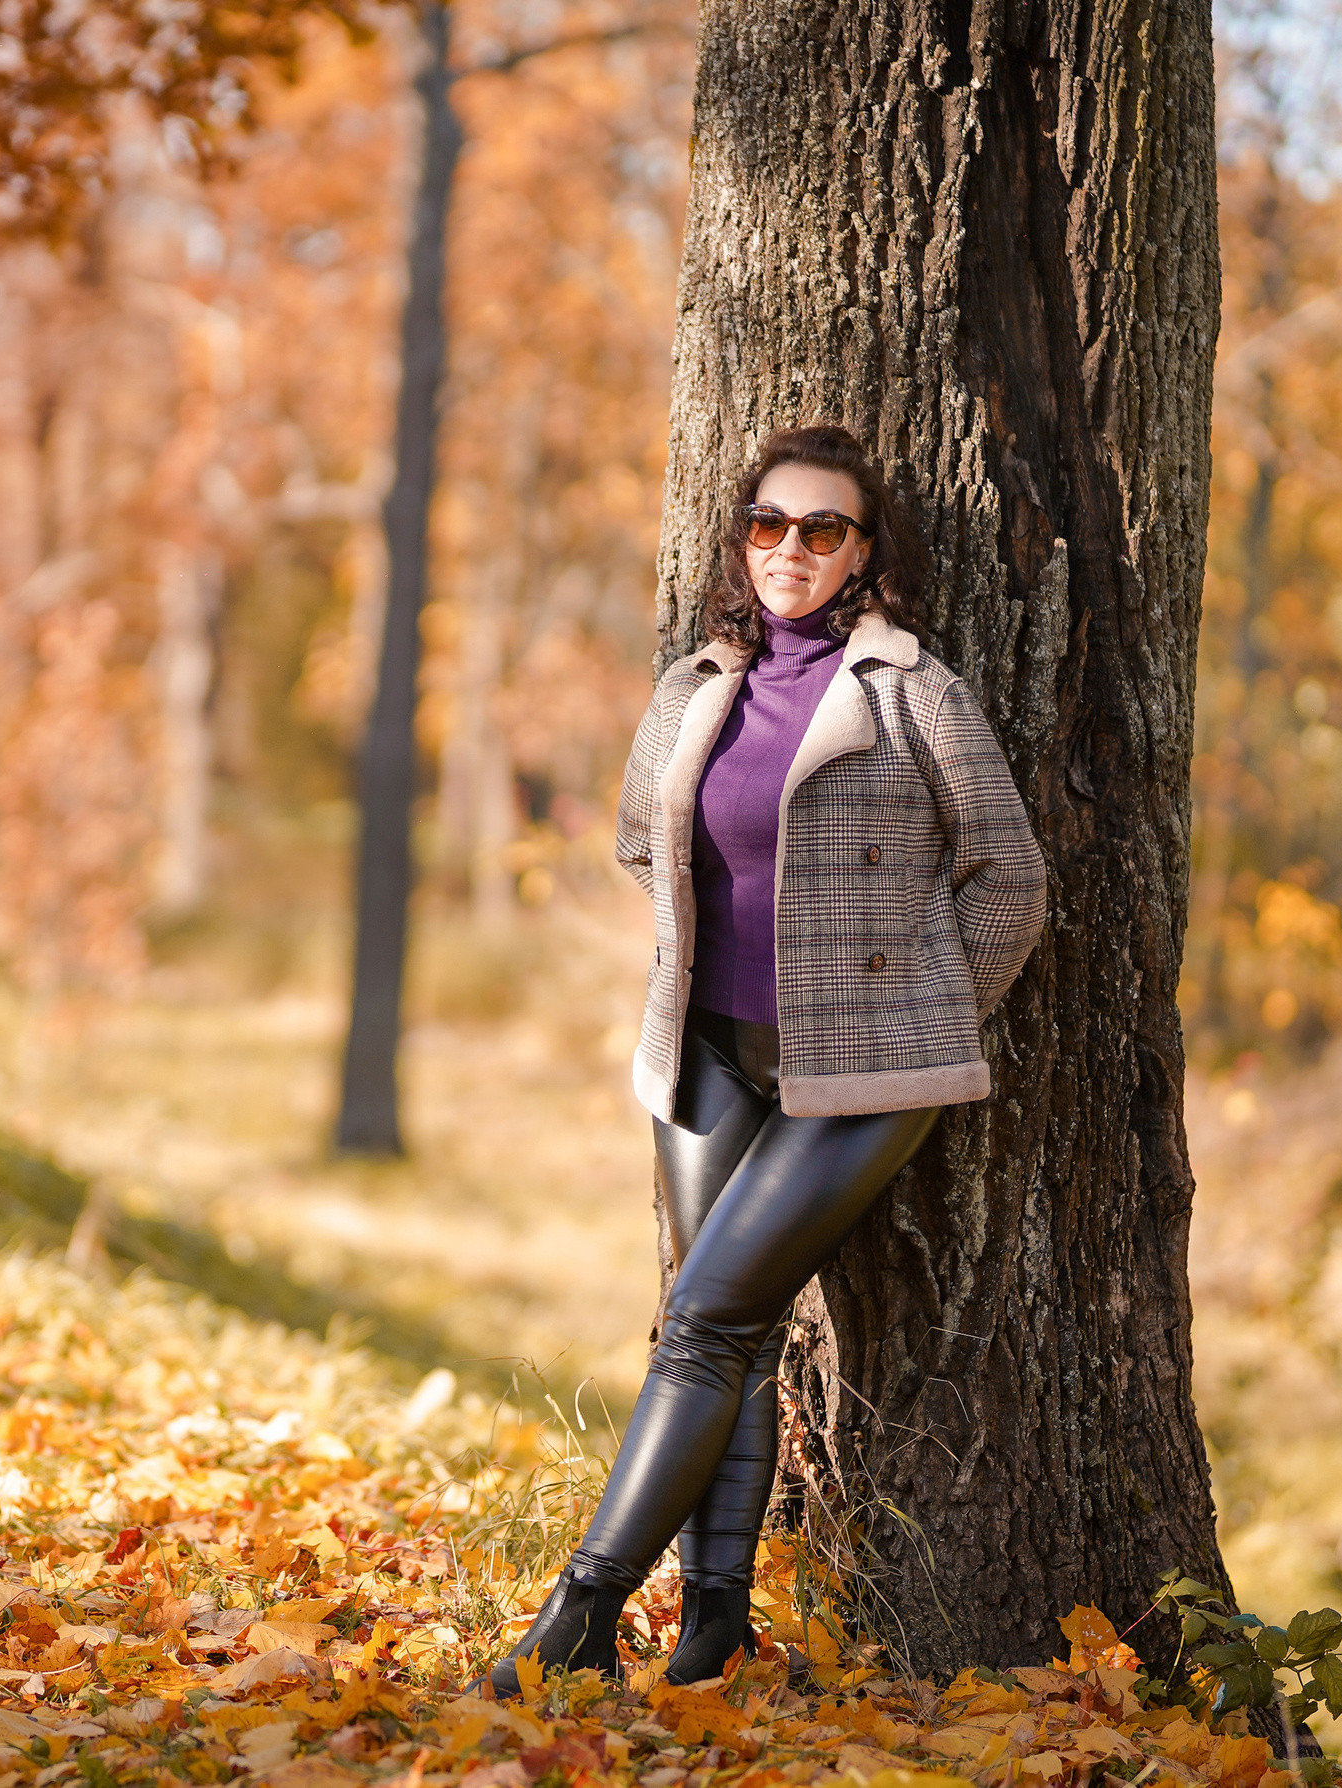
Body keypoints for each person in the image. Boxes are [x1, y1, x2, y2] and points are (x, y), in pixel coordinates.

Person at [476, 425, 1047, 1697]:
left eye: (822, 529)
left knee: (703, 1322)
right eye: (768, 525)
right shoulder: (696, 685)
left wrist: (915, 994)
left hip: (865, 1076)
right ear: (742, 539)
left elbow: (1010, 880)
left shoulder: (914, 694)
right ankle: (713, 1626)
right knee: (721, 1329)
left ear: (863, 554)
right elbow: (641, 842)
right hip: (709, 1054)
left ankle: (577, 1618)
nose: (790, 549)